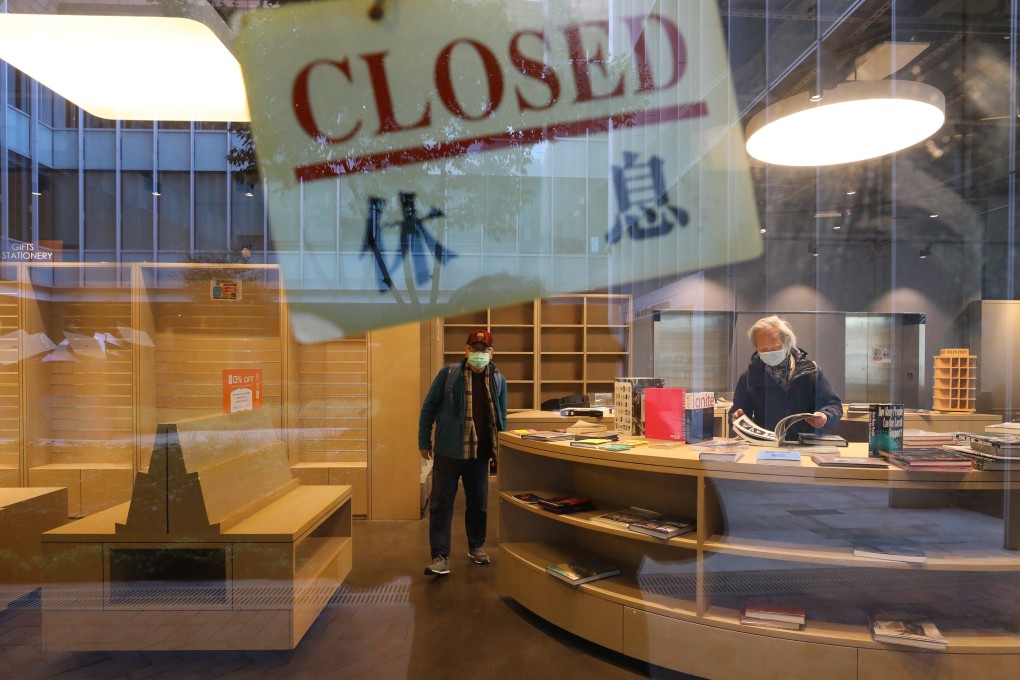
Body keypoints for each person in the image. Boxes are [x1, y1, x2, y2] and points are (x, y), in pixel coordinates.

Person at [418, 328, 508, 577]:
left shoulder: (499, 379)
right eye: (475, 349)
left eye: (484, 349)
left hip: (480, 454)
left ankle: (476, 546)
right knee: (441, 505)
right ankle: (440, 556)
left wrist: (502, 450)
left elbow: (501, 418)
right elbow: (429, 408)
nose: (479, 353)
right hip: (449, 451)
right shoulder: (449, 375)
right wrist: (423, 440)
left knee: (479, 504)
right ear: (466, 350)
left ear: (492, 352)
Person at [730, 315, 842, 440]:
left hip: (805, 444)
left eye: (776, 348)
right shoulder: (750, 376)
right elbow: (737, 411)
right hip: (766, 444)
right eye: (764, 349)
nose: (770, 353)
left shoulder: (810, 371)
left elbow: (834, 405)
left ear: (787, 342)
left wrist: (825, 417)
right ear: (757, 348)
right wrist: (735, 418)